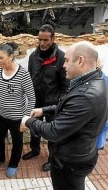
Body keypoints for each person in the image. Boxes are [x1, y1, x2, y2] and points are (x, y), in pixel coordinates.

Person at [20, 41, 108, 190]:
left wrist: (28, 121)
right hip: (80, 154)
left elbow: (54, 131)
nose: (63, 66)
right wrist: (43, 110)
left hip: (70, 162)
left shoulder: (86, 94)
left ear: (80, 61)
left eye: (66, 60)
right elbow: (69, 106)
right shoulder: (95, 79)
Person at [22, 24, 69, 172]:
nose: (42, 43)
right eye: (40, 39)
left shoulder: (61, 57)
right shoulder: (33, 56)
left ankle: (52, 159)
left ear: (53, 39)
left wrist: (60, 103)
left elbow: (65, 84)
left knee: (52, 133)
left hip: (52, 104)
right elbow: (30, 78)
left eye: (45, 40)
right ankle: (35, 150)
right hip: (36, 101)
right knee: (34, 128)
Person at [0, 43, 36, 178]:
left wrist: (26, 119)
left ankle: (13, 163)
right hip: (0, 114)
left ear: (11, 56)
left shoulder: (23, 74)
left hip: (16, 117)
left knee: (17, 141)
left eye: (1, 58)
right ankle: (0, 157)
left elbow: (31, 98)